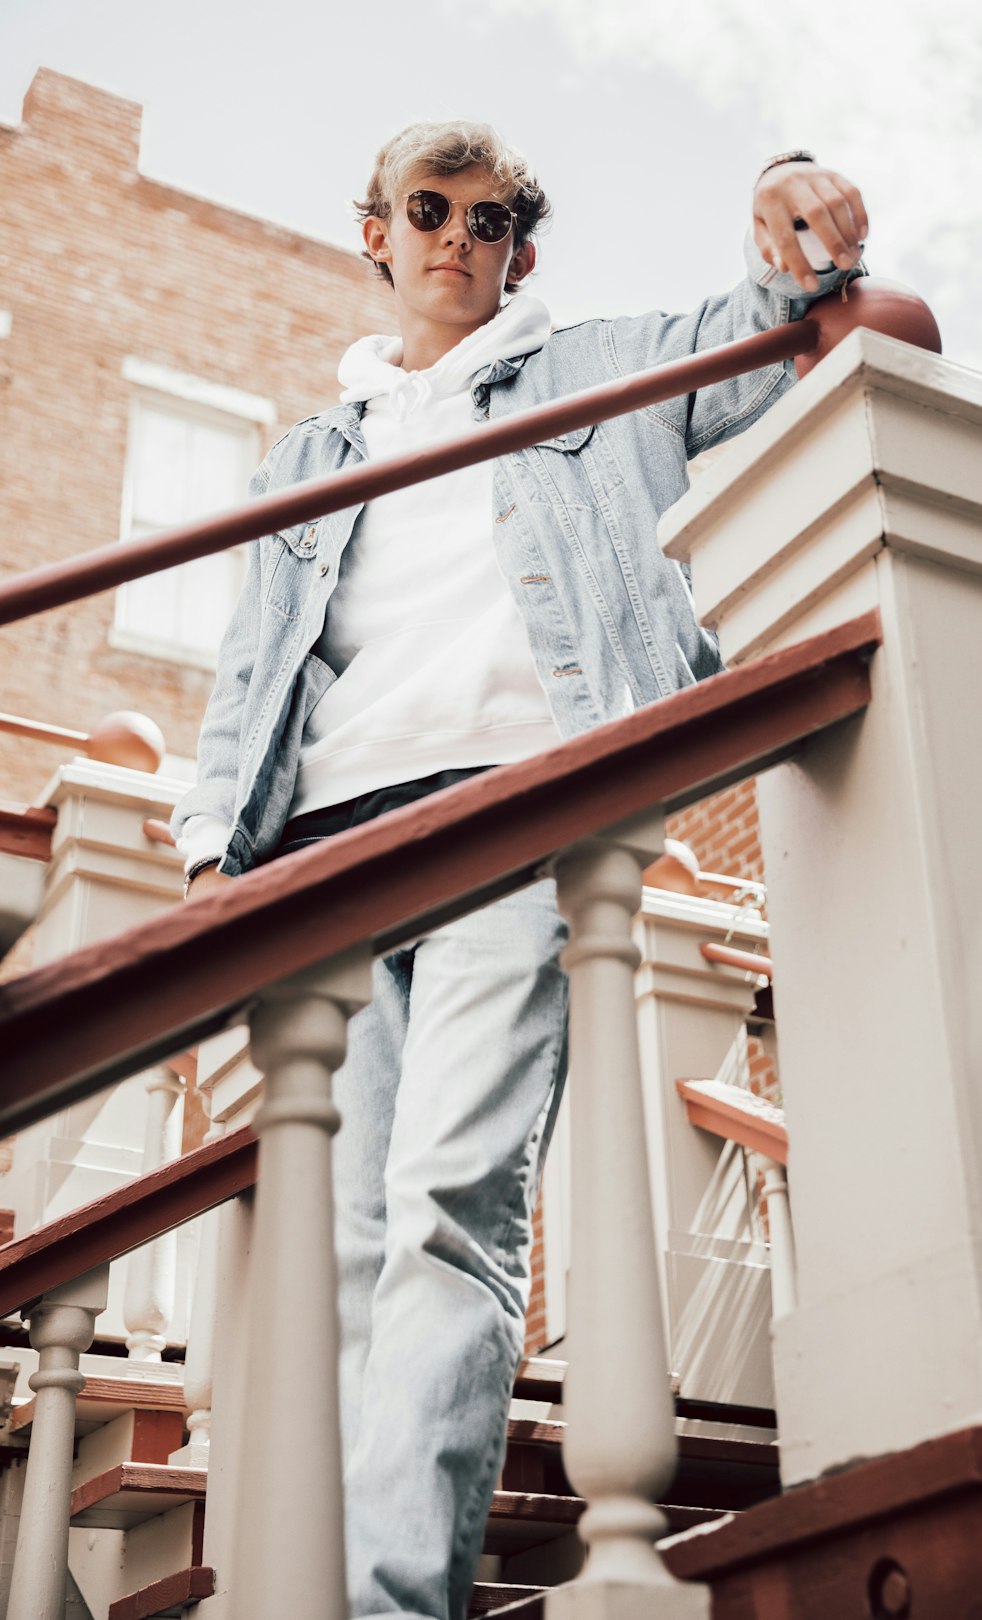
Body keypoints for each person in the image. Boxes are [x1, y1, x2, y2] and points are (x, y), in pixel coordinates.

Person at [172, 122, 869, 1620]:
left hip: (504, 815)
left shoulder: (595, 372)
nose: (454, 238)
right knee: (341, 1249)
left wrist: (789, 189)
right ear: (377, 233)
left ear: (519, 254)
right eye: (426, 211)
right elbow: (251, 679)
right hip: (323, 861)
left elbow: (767, 328)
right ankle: (323, 1585)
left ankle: (392, 1600)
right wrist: (202, 856)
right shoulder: (311, 453)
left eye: (488, 222)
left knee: (444, 1210)